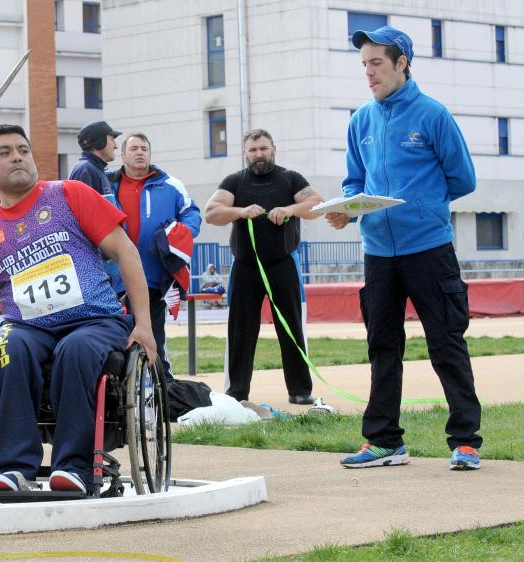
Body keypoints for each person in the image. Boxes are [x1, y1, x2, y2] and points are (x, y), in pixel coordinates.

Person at [0, 124, 157, 495]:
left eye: (22, 150)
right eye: (4, 152)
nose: (16, 156)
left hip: (94, 319)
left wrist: (144, 324)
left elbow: (126, 252)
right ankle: (12, 467)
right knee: (9, 348)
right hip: (27, 327)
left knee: (75, 350)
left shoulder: (70, 194)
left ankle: (75, 467)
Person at [327, 26, 482, 470]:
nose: (369, 73)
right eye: (364, 65)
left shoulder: (433, 115)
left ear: (402, 63)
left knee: (446, 342)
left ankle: (466, 440)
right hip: (378, 251)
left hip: (429, 249)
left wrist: (421, 206)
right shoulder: (361, 120)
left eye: (376, 63)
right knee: (382, 345)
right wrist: (348, 208)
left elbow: (463, 179)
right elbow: (354, 181)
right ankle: (384, 441)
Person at [204, 129, 324, 405]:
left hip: (282, 264)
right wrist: (240, 212)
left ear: (274, 149)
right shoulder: (234, 182)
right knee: (241, 331)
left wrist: (291, 210)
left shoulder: (290, 178)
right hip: (246, 266)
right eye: (253, 150)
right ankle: (237, 392)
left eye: (263, 149)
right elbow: (212, 213)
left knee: (291, 328)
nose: (259, 154)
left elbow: (317, 204)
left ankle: (300, 390)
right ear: (245, 153)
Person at [108, 132, 201, 380]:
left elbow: (192, 214)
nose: (140, 153)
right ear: (123, 155)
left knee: (153, 335)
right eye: (134, 148)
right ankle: (119, 388)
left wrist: (181, 233)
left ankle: (162, 386)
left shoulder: (171, 185)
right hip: (112, 278)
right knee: (114, 335)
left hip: (153, 277)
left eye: (144, 149)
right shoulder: (107, 184)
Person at [68, 121, 121, 201]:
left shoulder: (94, 169)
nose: (116, 146)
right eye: (112, 140)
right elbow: (83, 211)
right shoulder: (86, 170)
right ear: (100, 142)